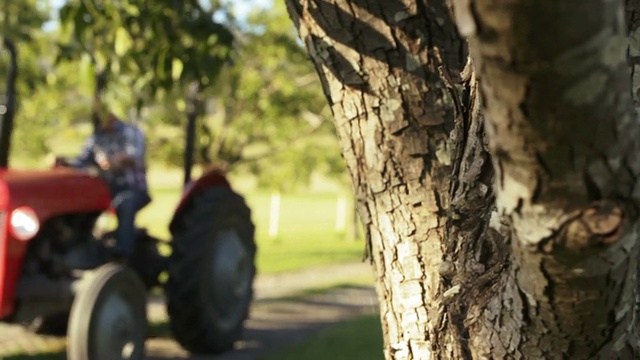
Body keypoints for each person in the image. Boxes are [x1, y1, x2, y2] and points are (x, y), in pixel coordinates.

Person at [70, 100, 151, 260]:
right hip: (104, 192)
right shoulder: (96, 138)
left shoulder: (131, 133)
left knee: (125, 202)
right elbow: (81, 161)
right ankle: (82, 247)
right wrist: (65, 163)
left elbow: (132, 156)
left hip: (133, 189)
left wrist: (112, 162)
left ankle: (123, 255)